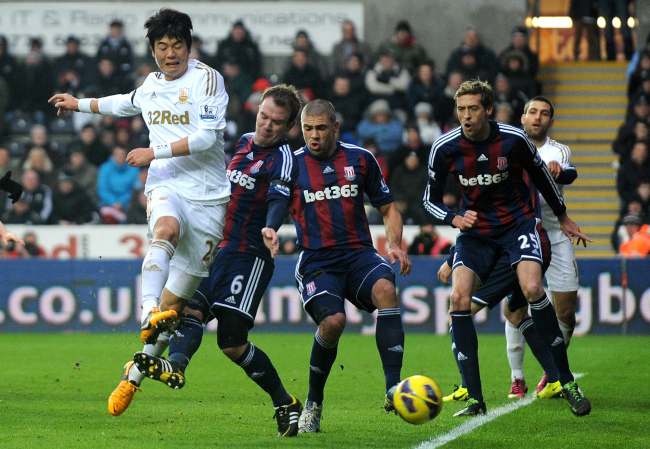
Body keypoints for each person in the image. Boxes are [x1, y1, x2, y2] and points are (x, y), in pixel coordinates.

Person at [49, 8, 230, 416]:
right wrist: (80, 104)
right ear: (153, 51)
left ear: (189, 46)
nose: (170, 54)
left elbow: (204, 139)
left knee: (176, 305)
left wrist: (154, 150)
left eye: (177, 45)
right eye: (162, 47)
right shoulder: (151, 85)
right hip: (167, 183)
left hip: (209, 198)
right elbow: (125, 103)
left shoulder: (206, 79)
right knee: (164, 228)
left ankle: (131, 377)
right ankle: (147, 312)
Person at [131, 84, 304, 437]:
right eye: (263, 116)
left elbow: (279, 197)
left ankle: (285, 401)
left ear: (288, 128)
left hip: (249, 256)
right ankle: (175, 365)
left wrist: (272, 228)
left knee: (231, 342)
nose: (266, 125)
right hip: (215, 247)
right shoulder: (242, 141)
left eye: (276, 122)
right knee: (189, 310)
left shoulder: (283, 157)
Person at [423, 79, 591, 417]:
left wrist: (562, 216)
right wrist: (454, 219)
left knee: (531, 289)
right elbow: (429, 199)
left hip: (518, 225)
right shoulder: (444, 148)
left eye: (472, 109)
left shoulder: (514, 140)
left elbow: (544, 178)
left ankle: (566, 381)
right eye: (460, 110)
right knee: (459, 299)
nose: (466, 116)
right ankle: (474, 397)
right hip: (476, 234)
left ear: (487, 109)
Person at [290, 99, 412, 433]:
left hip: (358, 253)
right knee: (333, 322)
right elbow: (266, 207)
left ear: (335, 127)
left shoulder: (360, 159)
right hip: (316, 260)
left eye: (320, 128)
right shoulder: (289, 165)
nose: (313, 136)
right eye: (307, 129)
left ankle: (392, 388)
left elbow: (388, 208)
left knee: (386, 289)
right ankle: (313, 403)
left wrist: (396, 245)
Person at [504, 96, 581, 397]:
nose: (538, 117)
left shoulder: (558, 150)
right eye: (532, 112)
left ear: (551, 121)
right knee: (516, 307)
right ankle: (518, 376)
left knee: (566, 314)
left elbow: (570, 172)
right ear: (523, 117)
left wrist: (560, 172)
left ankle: (551, 371)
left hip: (555, 233)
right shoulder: (507, 144)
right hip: (519, 233)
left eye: (544, 113)